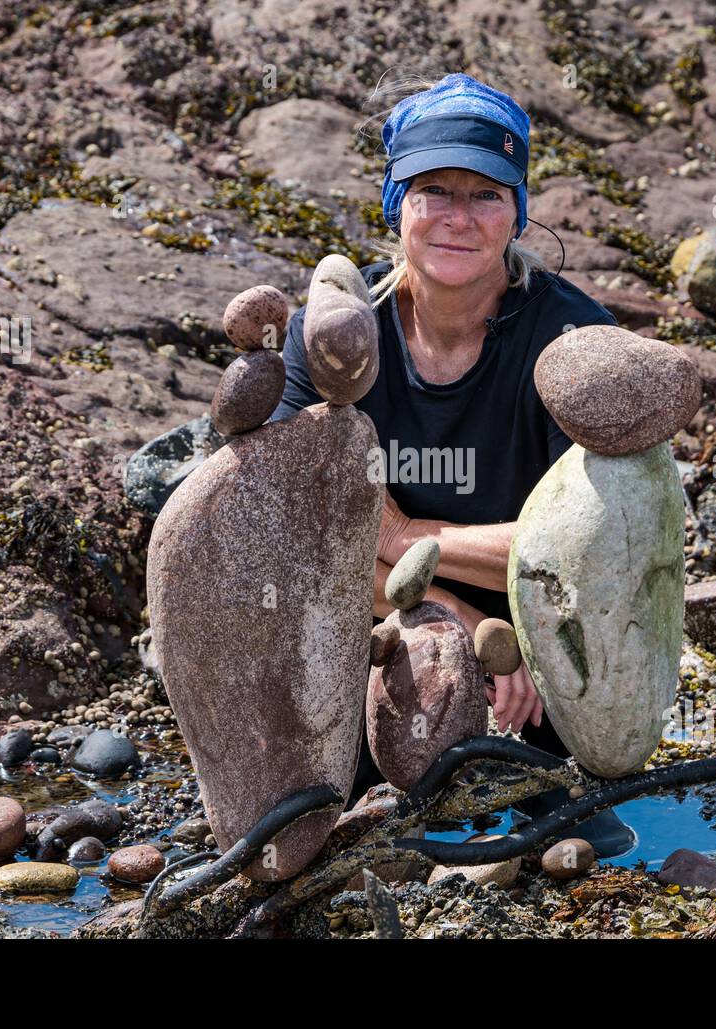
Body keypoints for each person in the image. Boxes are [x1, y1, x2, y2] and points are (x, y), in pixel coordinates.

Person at [267, 72, 636, 858]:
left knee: (579, 846)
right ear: (395, 202)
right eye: (434, 189)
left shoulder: (575, 344)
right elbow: (297, 529)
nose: (458, 218)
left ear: (518, 209)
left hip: (539, 650)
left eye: (486, 193)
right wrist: (457, 619)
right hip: (374, 636)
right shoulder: (334, 338)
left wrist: (405, 540)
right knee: (332, 828)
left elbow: (600, 545)